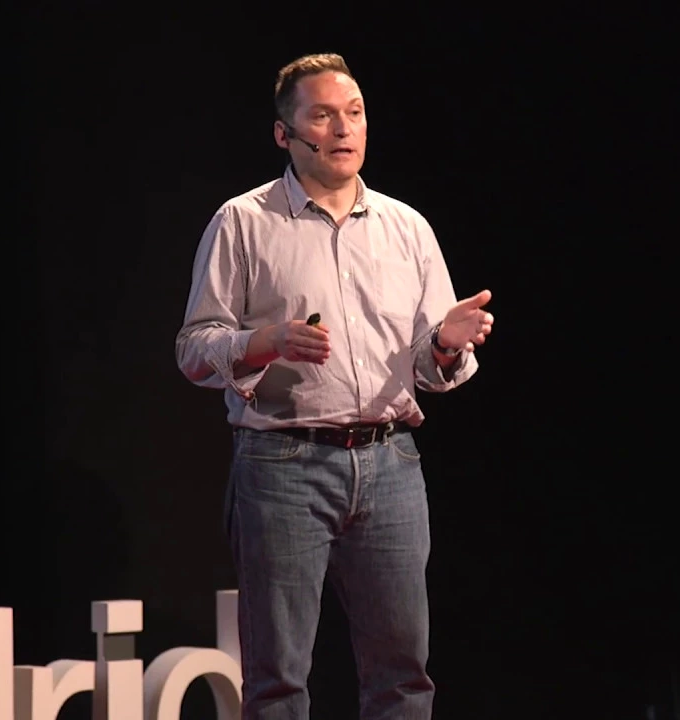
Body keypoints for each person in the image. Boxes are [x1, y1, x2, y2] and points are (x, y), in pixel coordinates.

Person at [175, 52, 495, 720]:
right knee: (278, 680)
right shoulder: (244, 221)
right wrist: (265, 341)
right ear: (284, 133)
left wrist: (445, 344)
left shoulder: (407, 228)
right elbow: (194, 350)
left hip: (392, 463)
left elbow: (430, 367)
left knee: (403, 677)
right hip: (283, 465)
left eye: (354, 113)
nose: (344, 128)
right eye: (322, 115)